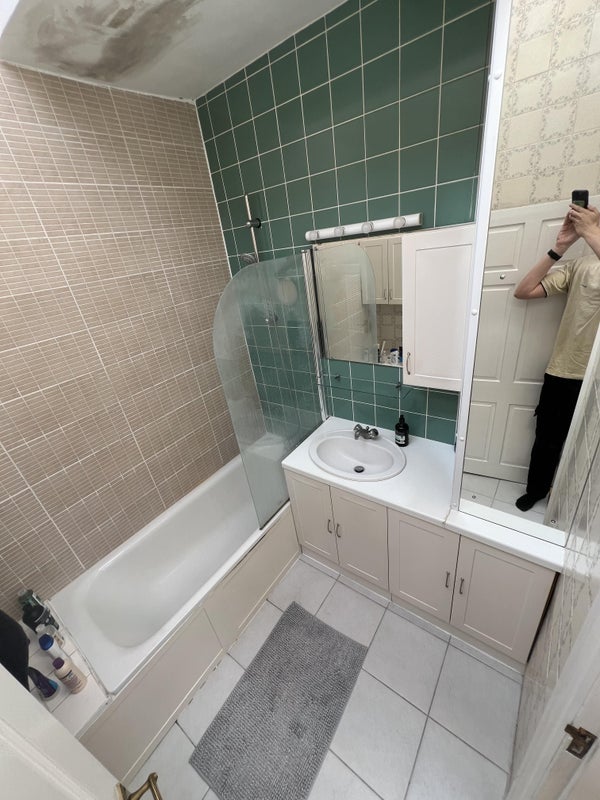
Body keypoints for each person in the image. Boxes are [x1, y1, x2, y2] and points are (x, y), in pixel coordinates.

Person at [513, 202, 600, 512]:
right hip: (565, 371)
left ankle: (577, 504)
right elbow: (523, 291)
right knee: (547, 439)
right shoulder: (582, 265)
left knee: (588, 447)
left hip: (595, 378)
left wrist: (591, 232)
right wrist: (559, 247)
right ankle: (538, 489)